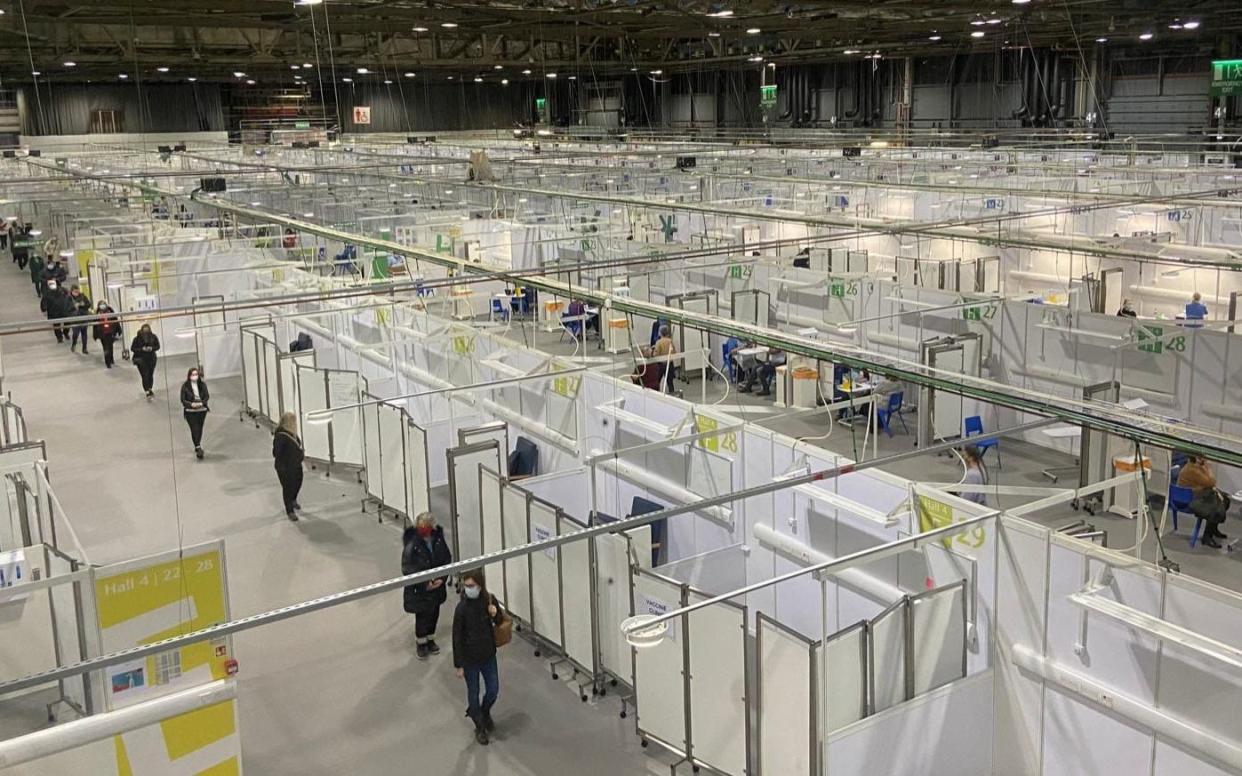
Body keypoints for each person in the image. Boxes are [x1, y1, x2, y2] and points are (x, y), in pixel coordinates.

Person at [452, 569, 504, 745]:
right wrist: (459, 665)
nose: (468, 589)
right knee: (472, 694)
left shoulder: (489, 600)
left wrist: (495, 613)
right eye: (466, 586)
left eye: (471, 586)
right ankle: (479, 726)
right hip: (470, 660)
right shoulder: (461, 609)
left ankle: (484, 710)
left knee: (493, 689)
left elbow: (500, 621)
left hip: (488, 655)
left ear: (480, 585)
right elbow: (457, 637)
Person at [402, 513, 452, 659]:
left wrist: (441, 579)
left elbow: (446, 559)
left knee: (434, 613)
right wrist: (425, 582)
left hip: (437, 587)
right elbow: (407, 567)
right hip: (420, 590)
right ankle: (421, 643)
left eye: (426, 527)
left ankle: (431, 639)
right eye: (421, 527)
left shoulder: (438, 540)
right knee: (422, 616)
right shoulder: (412, 543)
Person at [1178, 454, 1231, 548]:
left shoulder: (1196, 467)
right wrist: (1209, 468)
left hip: (1196, 495)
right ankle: (1207, 537)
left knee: (1225, 500)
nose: (1204, 460)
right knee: (1216, 508)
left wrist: (1205, 467)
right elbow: (1211, 482)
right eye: (1201, 458)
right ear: (1195, 458)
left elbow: (1208, 483)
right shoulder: (1192, 470)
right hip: (1190, 500)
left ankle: (1213, 529)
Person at [272, 412, 305, 520]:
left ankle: (293, 499)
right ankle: (289, 510)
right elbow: (276, 452)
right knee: (287, 487)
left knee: (298, 483)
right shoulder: (281, 436)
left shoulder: (293, 434)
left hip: (295, 465)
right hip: (285, 467)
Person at [180, 366, 210, 459]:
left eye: (196, 374)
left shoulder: (202, 385)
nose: (195, 376)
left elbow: (206, 396)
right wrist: (191, 404)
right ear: (189, 376)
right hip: (190, 411)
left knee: (200, 428)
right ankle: (198, 446)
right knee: (194, 428)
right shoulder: (185, 386)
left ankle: (197, 444)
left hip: (201, 410)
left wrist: (202, 403)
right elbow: (183, 400)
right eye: (193, 375)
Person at [131, 324, 161, 398]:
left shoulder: (153, 337)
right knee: (145, 375)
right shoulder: (137, 339)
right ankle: (147, 391)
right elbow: (133, 348)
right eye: (144, 331)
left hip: (151, 358)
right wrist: (142, 349)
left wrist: (152, 348)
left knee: (150, 374)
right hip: (141, 359)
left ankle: (149, 388)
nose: (146, 333)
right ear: (141, 331)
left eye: (147, 331)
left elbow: (157, 346)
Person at [92, 301, 122, 368]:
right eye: (101, 305)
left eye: (103, 305)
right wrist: (95, 335)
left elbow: (115, 320)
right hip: (102, 333)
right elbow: (94, 325)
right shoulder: (97, 313)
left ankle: (111, 359)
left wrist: (119, 330)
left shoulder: (110, 311)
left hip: (110, 332)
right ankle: (107, 362)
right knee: (105, 347)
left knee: (110, 346)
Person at [652, 325, 677, 392]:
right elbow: (674, 352)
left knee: (657, 382)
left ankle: (656, 395)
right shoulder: (670, 341)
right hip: (669, 364)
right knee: (670, 383)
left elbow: (656, 355)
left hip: (660, 365)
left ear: (660, 333)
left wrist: (653, 351)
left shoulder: (659, 342)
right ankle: (672, 395)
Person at [67, 285, 92, 353]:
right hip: (75, 319)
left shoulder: (83, 296)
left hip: (83, 317)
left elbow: (89, 304)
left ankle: (84, 348)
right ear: (71, 291)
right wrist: (74, 307)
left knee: (84, 333)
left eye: (77, 291)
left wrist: (82, 305)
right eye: (75, 292)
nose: (77, 293)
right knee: (75, 334)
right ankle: (74, 344)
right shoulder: (68, 298)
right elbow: (67, 308)